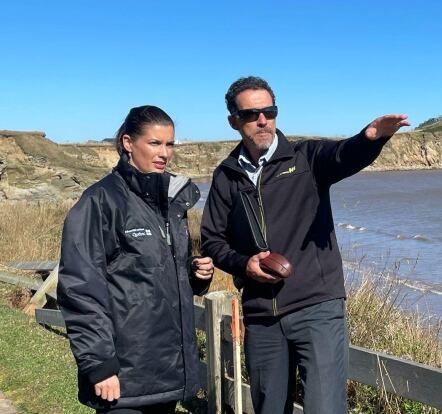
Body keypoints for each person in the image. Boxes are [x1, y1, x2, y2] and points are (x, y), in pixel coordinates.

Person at [200, 76, 409, 414]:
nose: (263, 120)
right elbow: (212, 239)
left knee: (324, 408)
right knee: (269, 408)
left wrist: (370, 139)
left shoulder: (306, 157)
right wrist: (244, 264)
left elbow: (343, 155)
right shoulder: (226, 175)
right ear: (234, 121)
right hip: (261, 316)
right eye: (252, 114)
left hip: (316, 308)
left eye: (269, 111)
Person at [57, 105, 215, 413]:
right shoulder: (100, 202)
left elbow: (149, 273)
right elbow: (80, 288)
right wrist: (100, 363)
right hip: (124, 374)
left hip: (166, 372)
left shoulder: (171, 203)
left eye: (169, 144)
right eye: (154, 143)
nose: (164, 153)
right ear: (128, 143)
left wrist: (195, 276)